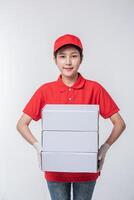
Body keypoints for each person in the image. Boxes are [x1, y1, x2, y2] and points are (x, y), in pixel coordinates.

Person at [16, 34, 126, 200]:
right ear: (55, 60)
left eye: (74, 56)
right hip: (55, 170)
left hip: (86, 170)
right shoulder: (45, 91)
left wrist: (105, 148)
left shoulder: (94, 89)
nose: (68, 62)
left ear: (81, 59)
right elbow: (22, 124)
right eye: (62, 56)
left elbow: (119, 123)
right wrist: (38, 147)